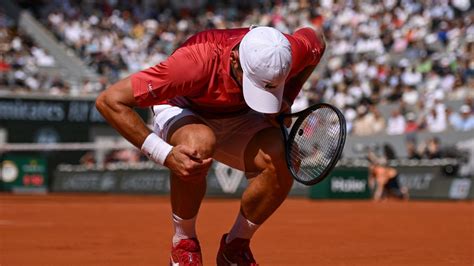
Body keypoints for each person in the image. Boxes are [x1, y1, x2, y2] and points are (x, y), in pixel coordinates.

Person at [96, 26, 325, 265]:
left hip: (240, 113)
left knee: (283, 159)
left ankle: (235, 248)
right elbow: (110, 101)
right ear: (235, 59)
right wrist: (164, 154)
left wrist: (287, 95)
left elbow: (318, 39)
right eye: (254, 83)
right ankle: (184, 243)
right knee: (198, 145)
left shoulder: (288, 50)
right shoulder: (193, 63)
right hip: (184, 107)